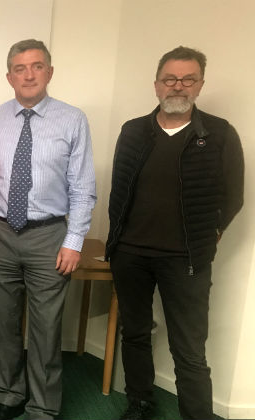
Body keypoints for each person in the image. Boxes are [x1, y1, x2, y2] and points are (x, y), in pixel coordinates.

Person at [105, 46, 244, 420]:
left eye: (187, 79)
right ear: (156, 85)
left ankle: (196, 414)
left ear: (200, 85)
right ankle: (140, 402)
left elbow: (233, 198)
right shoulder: (133, 131)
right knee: (134, 334)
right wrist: (116, 244)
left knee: (189, 348)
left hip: (186, 260)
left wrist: (209, 233)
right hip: (130, 255)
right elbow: (118, 192)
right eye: (170, 79)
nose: (177, 86)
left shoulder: (219, 133)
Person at [0, 39, 96, 420]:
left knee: (46, 328)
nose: (29, 74)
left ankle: (43, 408)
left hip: (49, 236)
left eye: (37, 66)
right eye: (20, 68)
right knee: (3, 319)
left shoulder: (73, 119)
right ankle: (10, 396)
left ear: (50, 71)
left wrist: (74, 241)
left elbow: (82, 187)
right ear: (9, 75)